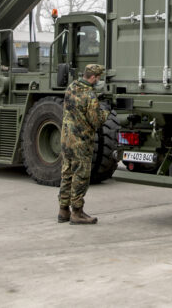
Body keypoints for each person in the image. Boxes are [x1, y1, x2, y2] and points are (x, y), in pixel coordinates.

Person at [57, 64, 107, 225]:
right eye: (99, 77)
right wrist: (105, 111)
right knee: (81, 176)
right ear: (93, 77)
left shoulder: (71, 87)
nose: (99, 80)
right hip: (81, 142)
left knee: (67, 173)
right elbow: (96, 121)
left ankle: (63, 210)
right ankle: (77, 213)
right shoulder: (90, 95)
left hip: (66, 139)